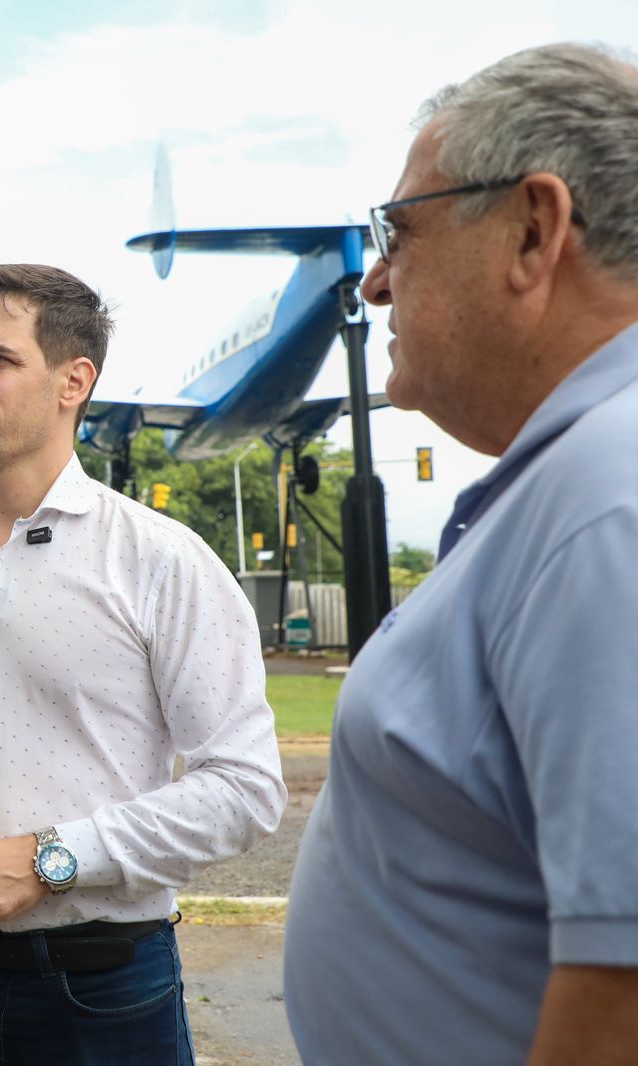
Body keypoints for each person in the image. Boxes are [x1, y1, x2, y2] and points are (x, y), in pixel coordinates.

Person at [285, 42, 638, 1065]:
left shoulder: (608, 500)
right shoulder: (581, 481)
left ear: (533, 231)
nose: (375, 283)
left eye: (398, 233)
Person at [0, 263, 286, 1065]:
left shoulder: (160, 561)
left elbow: (245, 788)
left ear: (74, 382)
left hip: (96, 994)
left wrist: (51, 859)